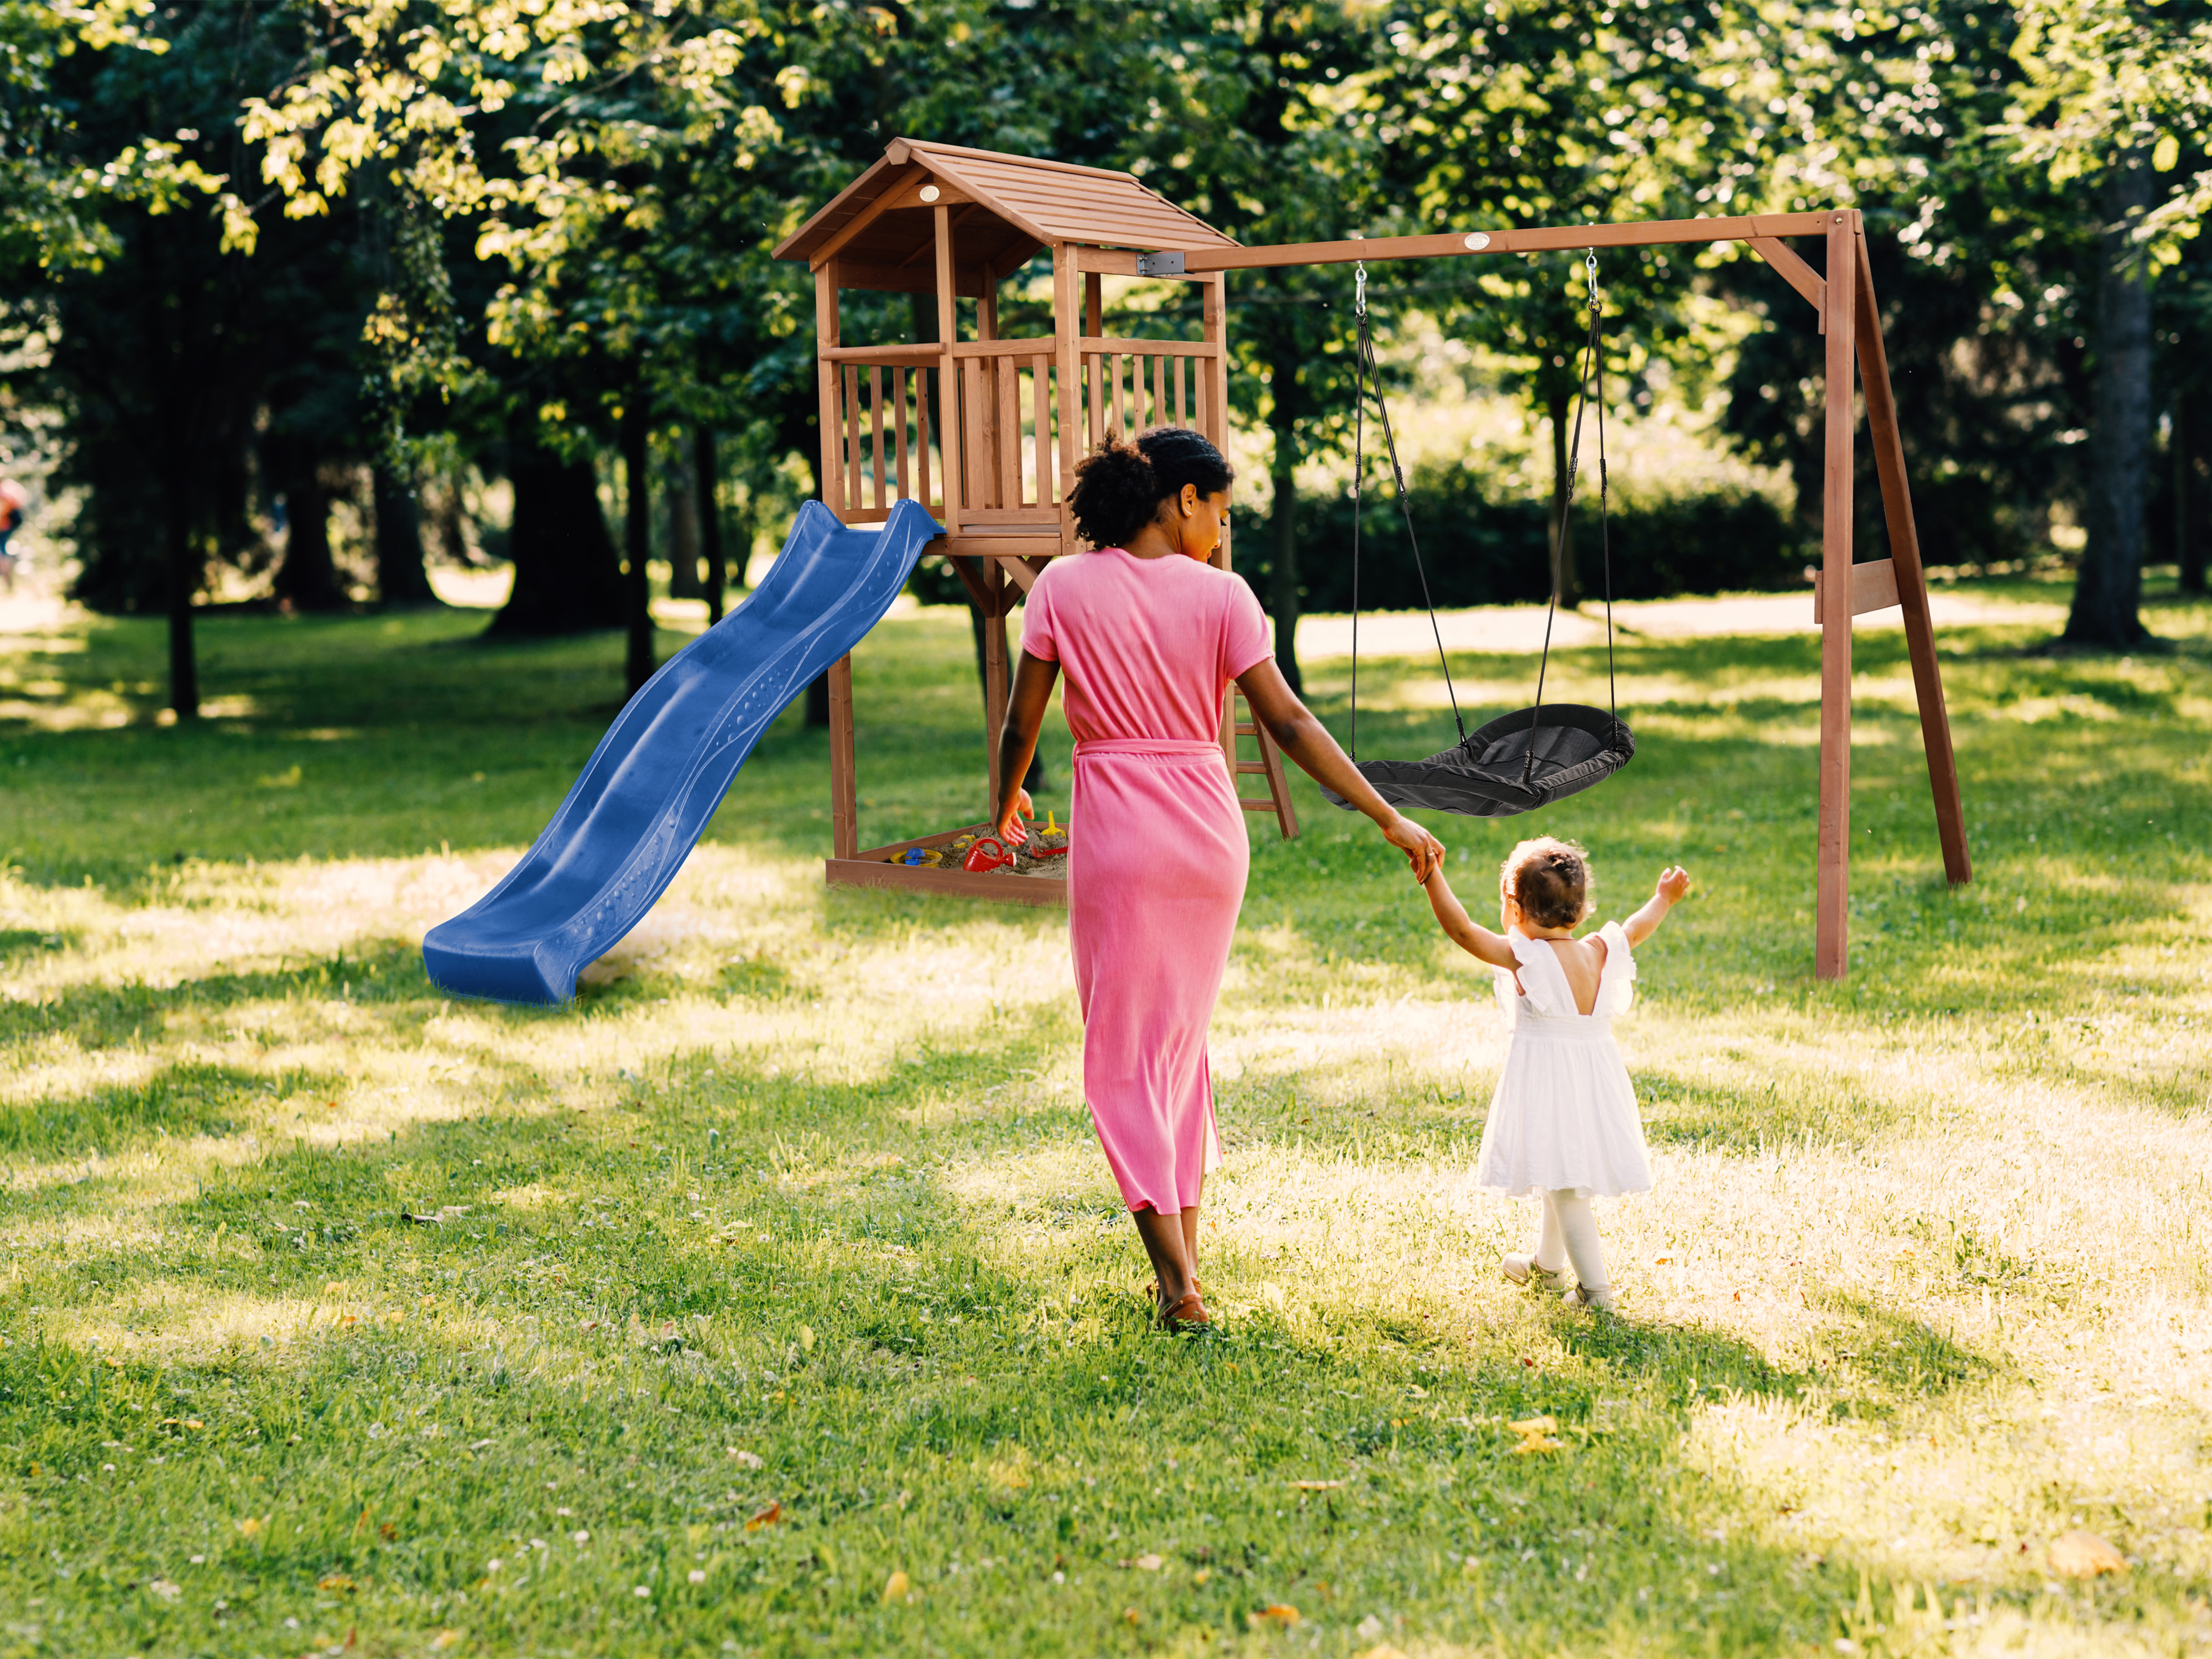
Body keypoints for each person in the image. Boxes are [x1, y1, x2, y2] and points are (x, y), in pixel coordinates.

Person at [994, 427, 1444, 1331]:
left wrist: (1003, 807)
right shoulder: (1226, 598)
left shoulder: (1061, 588)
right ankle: (1185, 1268)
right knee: (1176, 1052)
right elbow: (1289, 723)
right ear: (1184, 499)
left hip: (1120, 837)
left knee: (1124, 1059)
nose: (1223, 535)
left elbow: (1021, 725)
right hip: (1208, 837)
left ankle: (1176, 1286)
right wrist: (1386, 812)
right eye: (1222, 514)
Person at [1418, 837, 1691, 1311]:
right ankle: (1547, 1266)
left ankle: (1596, 1292)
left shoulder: (1527, 958)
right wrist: (1663, 898)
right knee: (1556, 1170)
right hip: (1594, 1082)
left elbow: (1462, 931)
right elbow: (1636, 927)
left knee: (1566, 1188)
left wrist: (1431, 875)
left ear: (1515, 908)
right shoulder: (1599, 950)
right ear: (1581, 911)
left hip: (1551, 1084)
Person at [0, 478, 27, 595]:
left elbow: (5, 509)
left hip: (7, 524)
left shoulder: (4, 491)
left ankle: (6, 575)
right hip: (10, 523)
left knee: (2, 550)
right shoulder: (8, 486)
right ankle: (7, 577)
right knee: (3, 549)